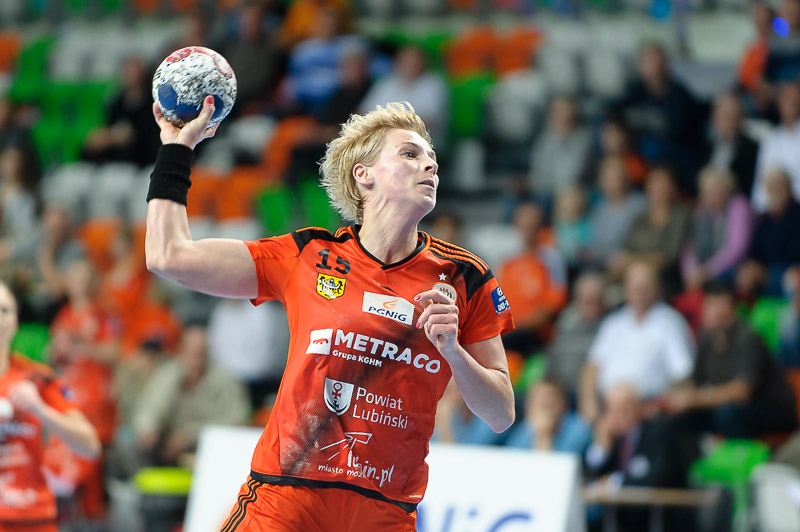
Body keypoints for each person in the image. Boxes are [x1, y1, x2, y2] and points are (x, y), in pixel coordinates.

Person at [144, 99, 515, 530]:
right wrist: (176, 148)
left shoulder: (465, 276)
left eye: (431, 157)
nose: (429, 165)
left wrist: (453, 352)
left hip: (383, 513)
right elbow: (168, 255)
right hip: (287, 499)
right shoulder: (308, 255)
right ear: (364, 174)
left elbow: (501, 414)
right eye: (409, 153)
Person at [0, 281, 100, 532]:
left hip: (33, 517)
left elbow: (90, 447)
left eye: (5, 310)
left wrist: (41, 410)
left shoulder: (37, 379)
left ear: (15, 322)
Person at [666, 281, 798, 439]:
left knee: (729, 413)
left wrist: (696, 398)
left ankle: (740, 454)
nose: (717, 312)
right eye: (711, 305)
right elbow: (696, 381)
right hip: (727, 407)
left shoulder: (748, 337)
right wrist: (674, 395)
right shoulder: (706, 337)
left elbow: (742, 391)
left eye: (722, 305)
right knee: (681, 415)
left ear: (733, 309)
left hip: (771, 409)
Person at [579, 261, 694, 424]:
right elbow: (592, 367)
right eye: (634, 284)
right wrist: (588, 403)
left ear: (657, 288)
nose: (639, 289)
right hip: (607, 408)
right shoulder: (613, 322)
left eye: (644, 284)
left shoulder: (670, 322)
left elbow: (683, 375)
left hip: (648, 411)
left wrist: (651, 406)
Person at [131, 324, 251, 467]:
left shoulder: (225, 381)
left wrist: (190, 434)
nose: (195, 361)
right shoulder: (168, 375)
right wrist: (148, 429)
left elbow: (238, 419)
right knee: (130, 448)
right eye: (191, 353)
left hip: (206, 449)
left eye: (201, 354)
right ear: (181, 352)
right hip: (166, 445)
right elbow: (149, 409)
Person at [680, 166, 753, 291]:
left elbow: (736, 249)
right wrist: (690, 271)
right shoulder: (700, 211)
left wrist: (707, 271)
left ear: (728, 189)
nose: (714, 194)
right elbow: (689, 246)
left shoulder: (738, 206)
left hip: (730, 269)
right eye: (709, 190)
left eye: (718, 189)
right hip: (702, 271)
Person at [738, 168, 800, 298]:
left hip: (788, 267)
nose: (775, 192)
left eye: (779, 186)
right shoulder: (766, 218)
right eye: (771, 188)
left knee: (783, 277)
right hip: (766, 267)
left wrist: (765, 270)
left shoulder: (796, 214)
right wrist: (754, 265)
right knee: (743, 272)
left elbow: (794, 252)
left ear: (789, 188)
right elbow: (755, 249)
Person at [545, 272, 606, 401]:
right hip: (560, 387)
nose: (589, 304)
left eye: (594, 300)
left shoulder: (609, 326)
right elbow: (554, 354)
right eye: (585, 299)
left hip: (590, 390)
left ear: (602, 300)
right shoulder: (566, 321)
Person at [505, 379, 592, 454]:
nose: (541, 405)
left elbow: (563, 465)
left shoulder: (578, 428)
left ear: (563, 403)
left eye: (548, 402)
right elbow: (512, 458)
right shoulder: (526, 427)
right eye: (536, 400)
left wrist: (544, 435)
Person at [752, 81, 800, 211]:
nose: (791, 104)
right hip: (775, 210)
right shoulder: (771, 139)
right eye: (786, 99)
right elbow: (760, 186)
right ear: (779, 104)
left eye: (795, 100)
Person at [703, 92, 760, 197]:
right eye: (727, 116)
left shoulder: (752, 149)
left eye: (736, 116)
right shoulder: (704, 144)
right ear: (715, 117)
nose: (731, 121)